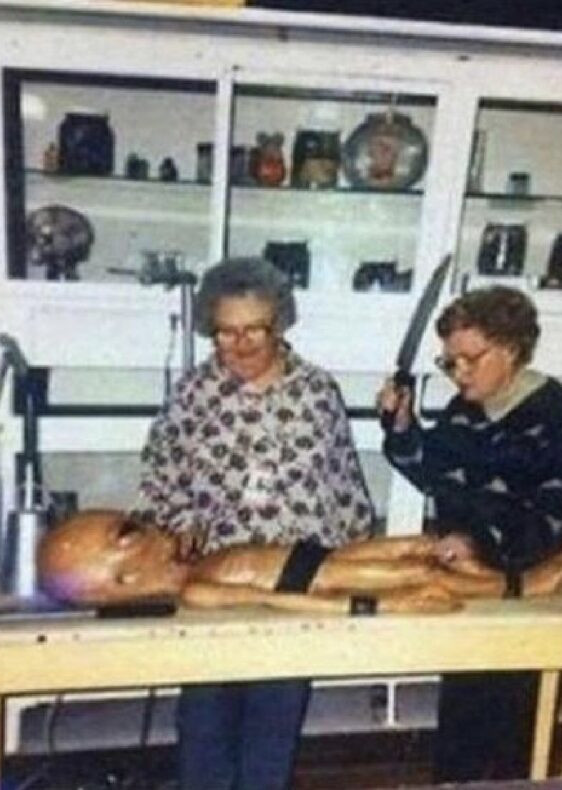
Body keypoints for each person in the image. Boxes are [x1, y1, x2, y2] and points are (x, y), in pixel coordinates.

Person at [129, 257, 373, 790]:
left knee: (276, 714)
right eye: (225, 332)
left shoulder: (316, 391)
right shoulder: (194, 393)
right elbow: (160, 471)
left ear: (279, 324)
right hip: (214, 574)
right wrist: (179, 521)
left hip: (296, 573)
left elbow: (344, 481)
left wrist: (355, 560)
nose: (239, 345)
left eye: (253, 330)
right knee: (204, 715)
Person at [377, 285, 562, 782]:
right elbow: (434, 471)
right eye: (449, 362)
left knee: (509, 735)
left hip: (537, 594)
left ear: (511, 349)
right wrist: (403, 426)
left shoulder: (557, 413)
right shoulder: (466, 407)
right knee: (462, 720)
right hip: (476, 587)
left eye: (470, 360)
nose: (459, 373)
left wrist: (476, 541)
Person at [38, 510, 562, 612]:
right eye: (126, 532)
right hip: (313, 576)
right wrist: (376, 606)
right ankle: (523, 586)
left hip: (315, 556)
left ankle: (496, 577)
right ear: (126, 577)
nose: (142, 522)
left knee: (421, 546)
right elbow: (279, 598)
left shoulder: (193, 566)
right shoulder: (196, 590)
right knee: (421, 572)